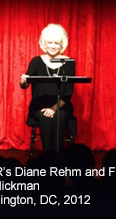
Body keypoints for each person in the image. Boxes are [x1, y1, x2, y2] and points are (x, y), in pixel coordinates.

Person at [20, 23, 76, 151]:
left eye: (56, 43)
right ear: (44, 43)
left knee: (59, 117)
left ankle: (58, 156)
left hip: (61, 105)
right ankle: (48, 156)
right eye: (50, 42)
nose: (52, 46)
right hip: (39, 105)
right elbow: (25, 84)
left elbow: (68, 93)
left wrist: (53, 108)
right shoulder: (36, 61)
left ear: (61, 45)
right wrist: (23, 81)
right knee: (45, 117)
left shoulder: (69, 63)